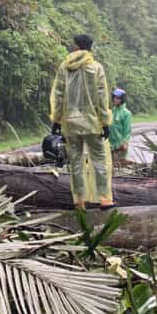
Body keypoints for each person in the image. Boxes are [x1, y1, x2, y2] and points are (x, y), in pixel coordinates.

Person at [49, 34, 115, 209]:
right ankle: (104, 198)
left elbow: (58, 95)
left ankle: (79, 201)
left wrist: (56, 120)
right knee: (99, 160)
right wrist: (105, 122)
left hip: (70, 123)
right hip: (92, 123)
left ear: (77, 47)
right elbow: (102, 98)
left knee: (76, 162)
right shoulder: (96, 68)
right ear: (90, 47)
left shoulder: (65, 67)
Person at [109, 88, 133, 165]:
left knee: (120, 167)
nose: (115, 100)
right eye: (114, 97)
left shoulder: (127, 113)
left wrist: (125, 143)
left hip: (120, 146)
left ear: (122, 99)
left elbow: (127, 130)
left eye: (118, 98)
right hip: (110, 145)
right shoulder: (112, 111)